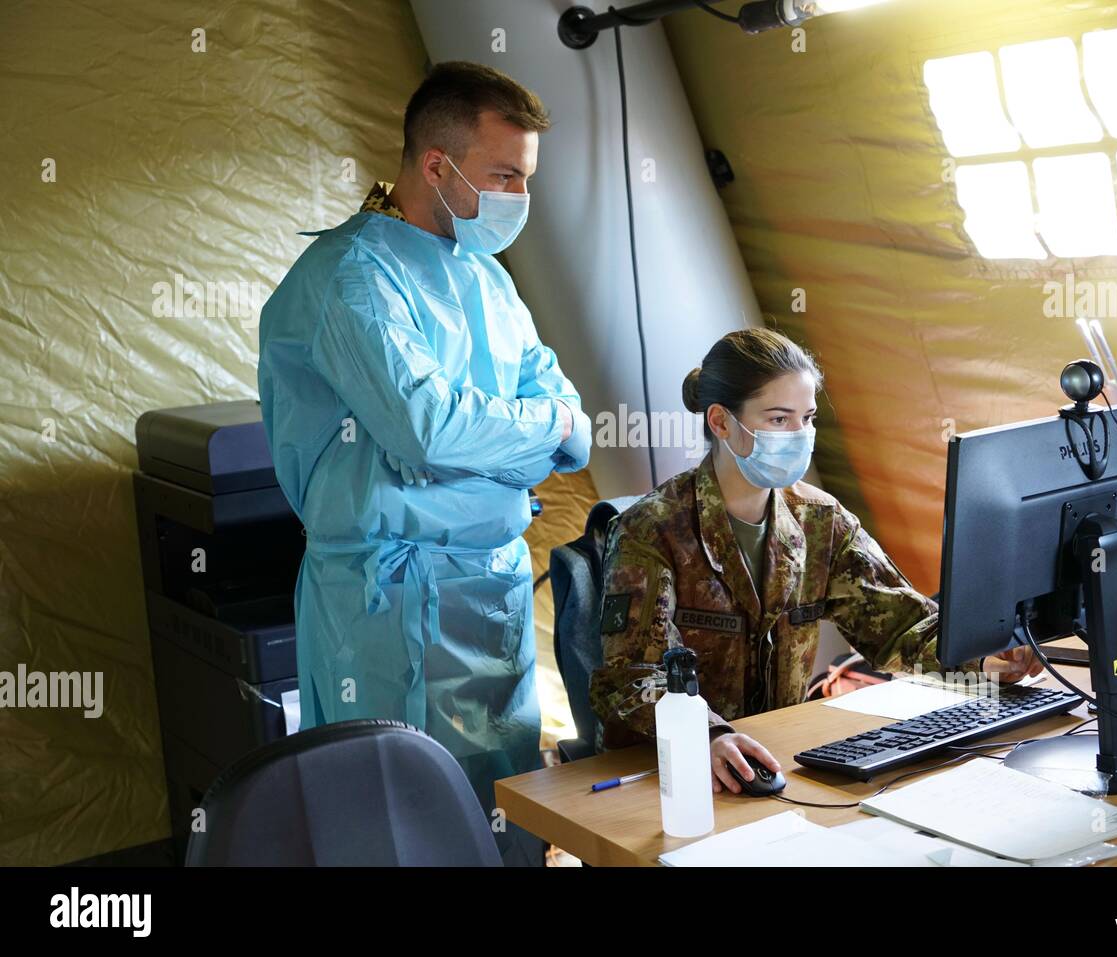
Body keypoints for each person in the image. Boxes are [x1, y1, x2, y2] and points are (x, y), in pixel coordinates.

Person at [257, 61, 590, 864]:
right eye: (503, 174)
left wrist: (514, 430)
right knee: (398, 832)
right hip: (391, 605)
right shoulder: (349, 281)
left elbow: (572, 425)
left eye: (527, 177)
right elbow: (428, 428)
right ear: (436, 165)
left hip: (494, 593)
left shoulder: (487, 278)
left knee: (505, 818)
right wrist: (529, 433)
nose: (519, 197)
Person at [589, 329, 1041, 794]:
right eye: (779, 419)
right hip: (666, 770)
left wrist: (983, 658)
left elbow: (901, 628)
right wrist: (707, 733)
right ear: (722, 423)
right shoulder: (651, 529)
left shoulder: (821, 521)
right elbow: (632, 677)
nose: (799, 436)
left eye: (807, 418)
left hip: (775, 758)